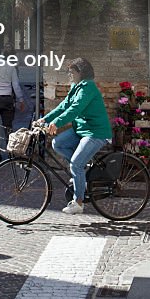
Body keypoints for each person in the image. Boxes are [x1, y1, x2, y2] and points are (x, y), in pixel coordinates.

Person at [37, 57, 112, 216]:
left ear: (81, 73)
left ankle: (78, 202)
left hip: (95, 132)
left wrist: (56, 123)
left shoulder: (88, 88)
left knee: (76, 164)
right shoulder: (76, 86)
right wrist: (45, 119)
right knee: (58, 143)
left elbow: (75, 109)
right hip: (81, 130)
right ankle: (81, 172)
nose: (70, 75)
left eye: (72, 72)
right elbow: (64, 106)